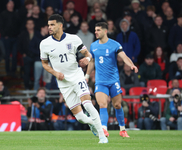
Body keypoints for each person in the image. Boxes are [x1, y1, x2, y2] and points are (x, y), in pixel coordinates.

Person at [40, 14, 108, 143]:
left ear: (60, 25)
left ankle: (102, 136)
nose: (49, 27)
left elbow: (88, 54)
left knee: (88, 105)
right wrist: (55, 73)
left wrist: (87, 59)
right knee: (80, 117)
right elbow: (44, 63)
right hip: (63, 83)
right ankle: (93, 124)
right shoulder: (45, 44)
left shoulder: (74, 39)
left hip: (77, 76)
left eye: (52, 25)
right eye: (48, 25)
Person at [85, 22, 138, 137]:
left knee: (118, 105)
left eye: (98, 30)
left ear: (105, 31)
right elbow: (92, 61)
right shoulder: (94, 46)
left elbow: (124, 57)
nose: (96, 32)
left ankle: (122, 129)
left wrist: (131, 65)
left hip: (113, 81)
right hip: (100, 81)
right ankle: (104, 128)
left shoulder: (114, 44)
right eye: (95, 30)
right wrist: (87, 75)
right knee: (103, 104)